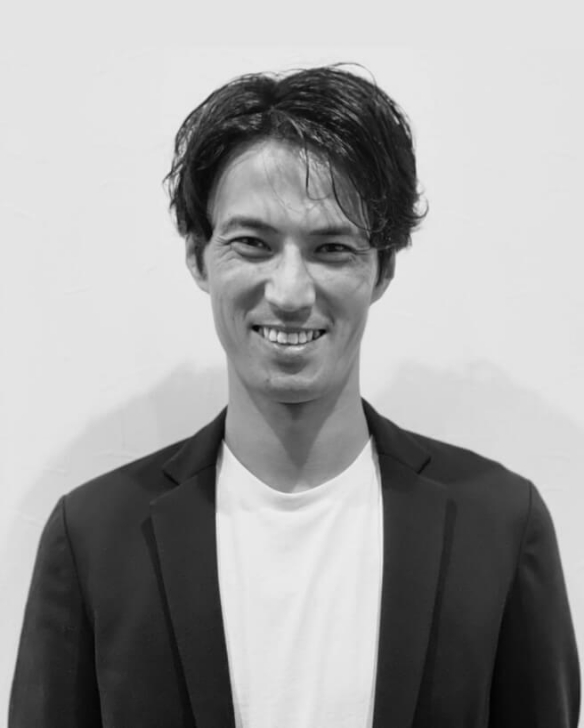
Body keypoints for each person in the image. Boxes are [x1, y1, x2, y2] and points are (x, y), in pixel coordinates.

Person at [10, 65, 580, 728]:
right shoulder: (93, 537)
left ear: (383, 268)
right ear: (198, 257)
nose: (289, 291)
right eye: (252, 244)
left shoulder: (500, 527)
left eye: (331, 248)